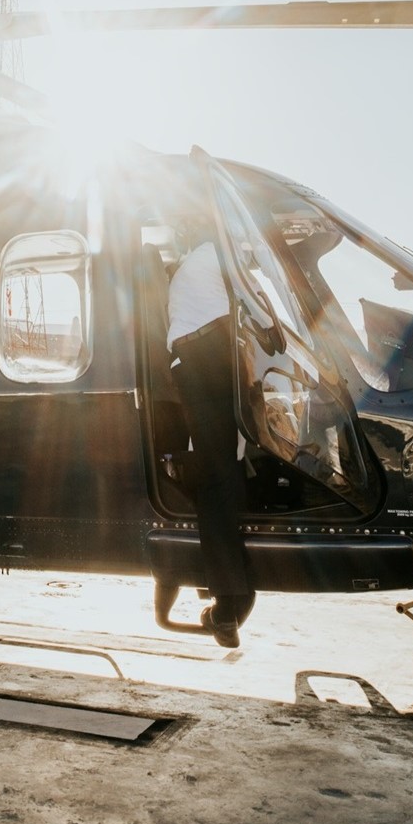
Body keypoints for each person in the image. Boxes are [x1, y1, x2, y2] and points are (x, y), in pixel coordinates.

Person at [166, 234, 256, 648]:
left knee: (223, 469)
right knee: (221, 473)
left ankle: (230, 600)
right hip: (207, 354)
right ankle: (228, 601)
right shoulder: (221, 250)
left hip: (199, 354)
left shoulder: (196, 264)